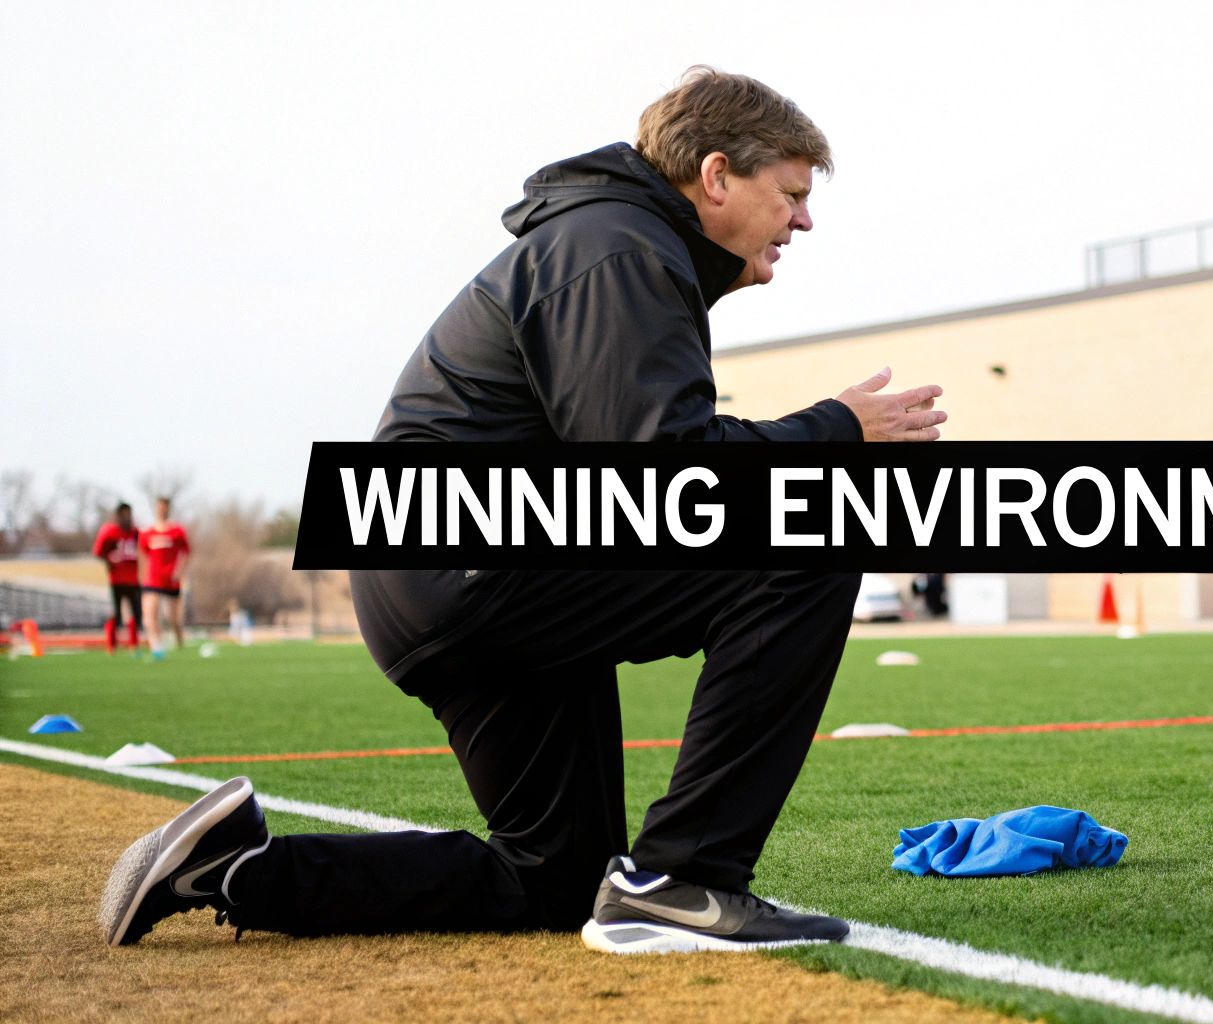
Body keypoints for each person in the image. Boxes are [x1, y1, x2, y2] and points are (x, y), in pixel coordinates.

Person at [102, 68, 946, 953]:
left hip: (451, 574)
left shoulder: (615, 243)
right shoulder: (618, 247)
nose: (804, 221)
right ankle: (684, 883)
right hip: (472, 564)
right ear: (717, 174)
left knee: (554, 878)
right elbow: (663, 477)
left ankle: (237, 870)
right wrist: (834, 431)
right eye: (792, 195)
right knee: (811, 530)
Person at [140, 496, 191, 656]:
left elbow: (187, 553)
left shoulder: (177, 531)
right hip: (153, 580)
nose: (161, 510)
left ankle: (179, 641)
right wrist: (143, 575)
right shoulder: (147, 533)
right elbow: (143, 555)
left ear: (168, 509)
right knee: (149, 616)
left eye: (164, 507)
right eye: (159, 507)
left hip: (171, 581)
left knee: (173, 619)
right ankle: (157, 648)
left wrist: (179, 572)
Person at [92, 502, 141, 654]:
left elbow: (145, 553)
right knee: (117, 614)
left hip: (133, 579)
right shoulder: (109, 532)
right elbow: (98, 551)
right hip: (117, 579)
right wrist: (109, 561)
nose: (128, 518)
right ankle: (111, 645)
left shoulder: (136, 533)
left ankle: (133, 644)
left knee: (137, 613)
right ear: (118, 516)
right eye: (124, 514)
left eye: (129, 514)